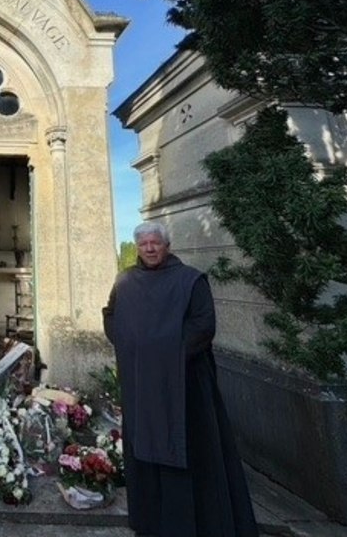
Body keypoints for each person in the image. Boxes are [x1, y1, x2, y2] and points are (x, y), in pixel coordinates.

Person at [102, 221, 259, 537]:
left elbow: (203, 325)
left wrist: (162, 352)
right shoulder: (126, 282)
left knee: (186, 448)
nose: (149, 248)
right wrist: (133, 347)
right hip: (142, 385)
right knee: (144, 447)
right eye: (144, 243)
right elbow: (111, 316)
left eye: (155, 242)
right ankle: (150, 521)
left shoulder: (190, 281)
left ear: (167, 245)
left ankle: (191, 524)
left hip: (184, 385)